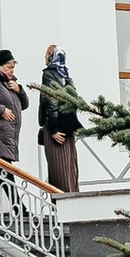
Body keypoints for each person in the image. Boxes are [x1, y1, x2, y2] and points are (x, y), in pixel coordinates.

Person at [38, 41, 80, 195]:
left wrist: (53, 129)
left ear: (50, 56)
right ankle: (72, 204)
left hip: (56, 131)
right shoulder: (67, 76)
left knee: (58, 173)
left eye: (46, 55)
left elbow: (51, 102)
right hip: (68, 129)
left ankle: (63, 210)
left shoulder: (49, 74)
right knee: (69, 170)